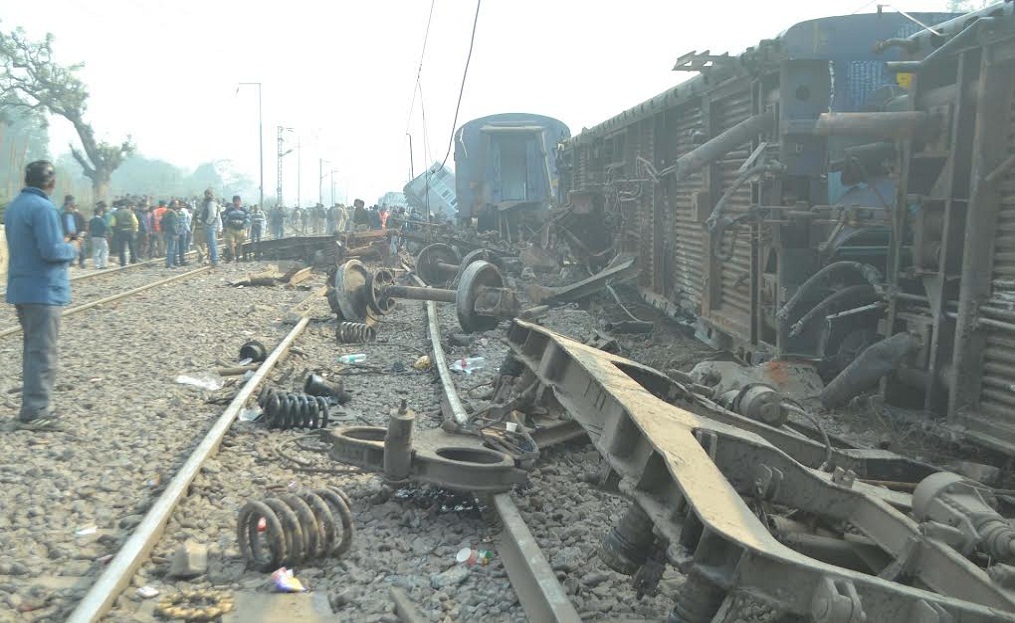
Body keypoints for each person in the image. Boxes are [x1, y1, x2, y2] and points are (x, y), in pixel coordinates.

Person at [4, 161, 80, 430]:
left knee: (33, 350)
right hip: (43, 291)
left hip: (22, 289)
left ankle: (32, 406)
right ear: (52, 183)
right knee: (43, 352)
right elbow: (51, 251)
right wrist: (73, 247)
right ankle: (37, 411)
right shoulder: (44, 207)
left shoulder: (15, 206)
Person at [61, 196, 87, 268]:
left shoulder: (79, 215)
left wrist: (83, 233)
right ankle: (70, 261)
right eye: (66, 207)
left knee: (81, 246)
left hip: (78, 233)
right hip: (68, 234)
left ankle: (82, 261)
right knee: (69, 248)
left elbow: (84, 224)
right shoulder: (63, 215)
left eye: (69, 207)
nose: (67, 208)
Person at [111, 200, 139, 266]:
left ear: (118, 205)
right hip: (130, 231)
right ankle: (134, 260)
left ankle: (123, 262)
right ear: (125, 205)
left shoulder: (115, 213)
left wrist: (115, 232)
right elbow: (135, 222)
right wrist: (134, 231)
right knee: (132, 246)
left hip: (120, 232)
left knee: (122, 248)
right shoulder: (130, 212)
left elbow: (112, 224)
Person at [223, 195, 249, 261]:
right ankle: (232, 255)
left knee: (239, 244)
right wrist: (228, 222)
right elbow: (224, 217)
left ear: (240, 201)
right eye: (235, 201)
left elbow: (248, 218)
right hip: (231, 229)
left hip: (241, 229)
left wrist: (244, 224)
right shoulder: (229, 209)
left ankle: (237, 257)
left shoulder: (244, 209)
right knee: (231, 243)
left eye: (238, 201)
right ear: (233, 202)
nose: (236, 202)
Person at [198, 189, 220, 267]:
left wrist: (208, 222)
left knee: (212, 242)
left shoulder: (211, 202)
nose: (207, 195)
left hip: (210, 225)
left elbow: (213, 215)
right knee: (211, 243)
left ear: (211, 194)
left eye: (209, 194)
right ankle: (214, 259)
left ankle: (214, 260)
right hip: (209, 224)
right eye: (206, 194)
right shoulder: (207, 202)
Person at [161, 201, 180, 268]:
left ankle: (170, 262)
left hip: (167, 231)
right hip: (172, 233)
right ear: (173, 204)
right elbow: (173, 225)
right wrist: (176, 233)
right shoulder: (173, 213)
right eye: (176, 204)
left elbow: (161, 222)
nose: (177, 206)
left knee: (170, 248)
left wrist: (163, 230)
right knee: (171, 248)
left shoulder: (166, 212)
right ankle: (170, 263)